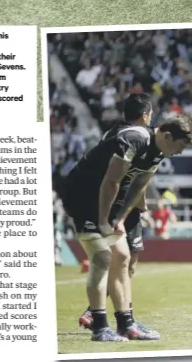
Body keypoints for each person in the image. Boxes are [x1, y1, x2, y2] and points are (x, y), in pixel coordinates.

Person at [62, 102, 191, 342]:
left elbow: (139, 185)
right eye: (181, 146)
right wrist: (102, 221)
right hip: (82, 194)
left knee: (122, 257)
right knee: (102, 257)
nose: (179, 152)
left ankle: (126, 324)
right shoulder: (135, 137)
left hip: (106, 200)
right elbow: (111, 180)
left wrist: (119, 218)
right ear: (167, 135)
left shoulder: (158, 150)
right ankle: (100, 326)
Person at [77, 94, 157, 337]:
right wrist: (138, 208)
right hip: (122, 207)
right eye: (150, 113)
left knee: (127, 262)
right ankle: (109, 316)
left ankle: (120, 316)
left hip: (121, 205)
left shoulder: (115, 133)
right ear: (145, 115)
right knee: (122, 262)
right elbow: (128, 178)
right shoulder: (135, 138)